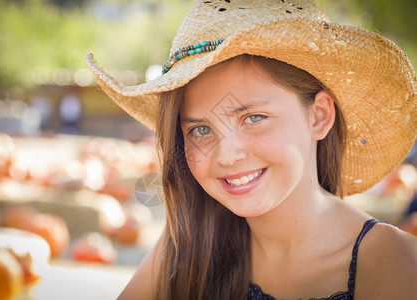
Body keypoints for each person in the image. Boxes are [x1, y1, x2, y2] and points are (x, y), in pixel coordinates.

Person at [85, 1, 417, 299]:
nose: (227, 156)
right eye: (201, 129)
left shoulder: (392, 262)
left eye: (253, 117)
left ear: (319, 116)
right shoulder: (185, 249)